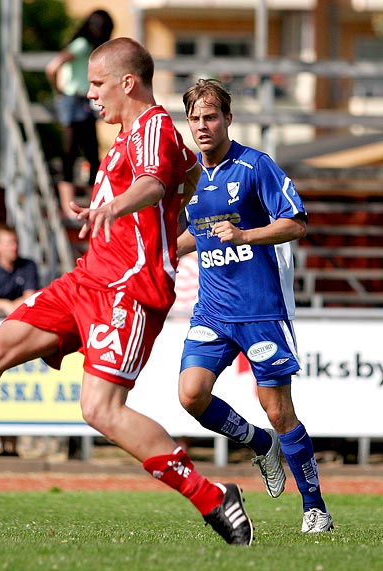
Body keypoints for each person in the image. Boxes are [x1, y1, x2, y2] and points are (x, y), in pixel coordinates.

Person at [0, 38, 253, 546]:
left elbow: (152, 183)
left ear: (128, 82)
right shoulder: (134, 136)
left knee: (101, 410)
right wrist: (165, 215)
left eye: (98, 84)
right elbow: (186, 174)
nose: (90, 95)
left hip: (128, 288)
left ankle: (213, 498)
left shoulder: (152, 126)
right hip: (87, 280)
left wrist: (122, 208)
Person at [177, 78, 333, 533]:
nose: (202, 126)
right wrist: (170, 249)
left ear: (227, 118)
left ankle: (315, 508)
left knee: (279, 409)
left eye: (210, 117)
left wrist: (245, 234)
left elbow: (296, 223)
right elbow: (199, 232)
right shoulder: (189, 178)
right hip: (212, 309)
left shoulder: (255, 165)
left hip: (261, 308)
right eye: (194, 119)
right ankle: (261, 444)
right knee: (190, 394)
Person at [0, 222, 39, 456]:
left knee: (15, 388)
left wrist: (6, 307)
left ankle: (13, 445)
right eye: (9, 242)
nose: (14, 247)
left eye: (15, 242)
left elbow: (31, 299)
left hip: (19, 337)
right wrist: (7, 305)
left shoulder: (28, 266)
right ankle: (3, 444)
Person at [45, 9, 114, 220]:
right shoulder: (83, 44)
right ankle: (70, 205)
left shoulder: (84, 45)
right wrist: (59, 91)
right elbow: (53, 66)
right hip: (74, 99)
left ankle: (86, 201)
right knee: (76, 153)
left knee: (86, 153)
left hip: (80, 100)